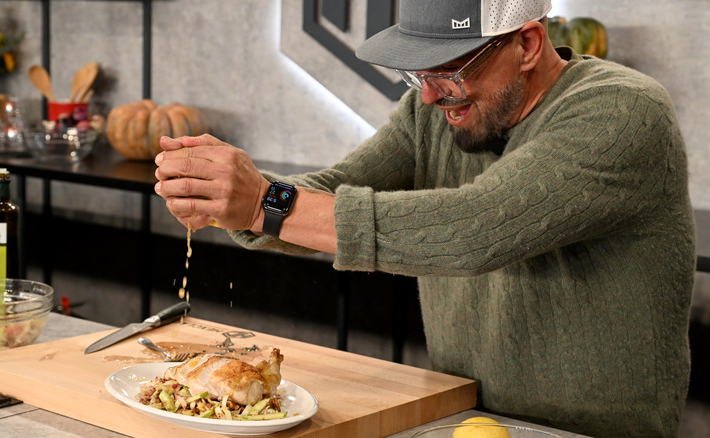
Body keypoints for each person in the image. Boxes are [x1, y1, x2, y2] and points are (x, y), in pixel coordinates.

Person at [153, 0, 695, 436]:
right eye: (417, 72)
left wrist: (262, 203)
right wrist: (228, 192)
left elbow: (475, 228)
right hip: (459, 418)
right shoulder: (431, 112)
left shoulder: (623, 111)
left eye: (451, 70)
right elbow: (332, 191)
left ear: (528, 44)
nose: (432, 95)